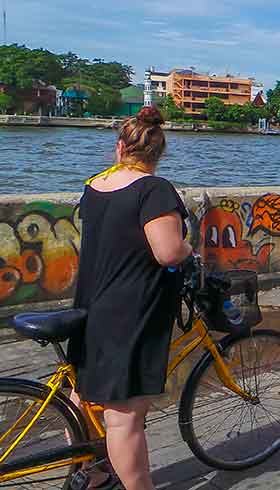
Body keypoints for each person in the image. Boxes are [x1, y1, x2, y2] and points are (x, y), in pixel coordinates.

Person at [70, 106, 192, 490]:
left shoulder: (94, 186)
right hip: (129, 313)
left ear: (120, 147)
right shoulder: (154, 189)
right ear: (159, 152)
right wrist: (190, 249)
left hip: (88, 306)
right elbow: (168, 252)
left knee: (83, 400)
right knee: (122, 418)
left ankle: (92, 472)